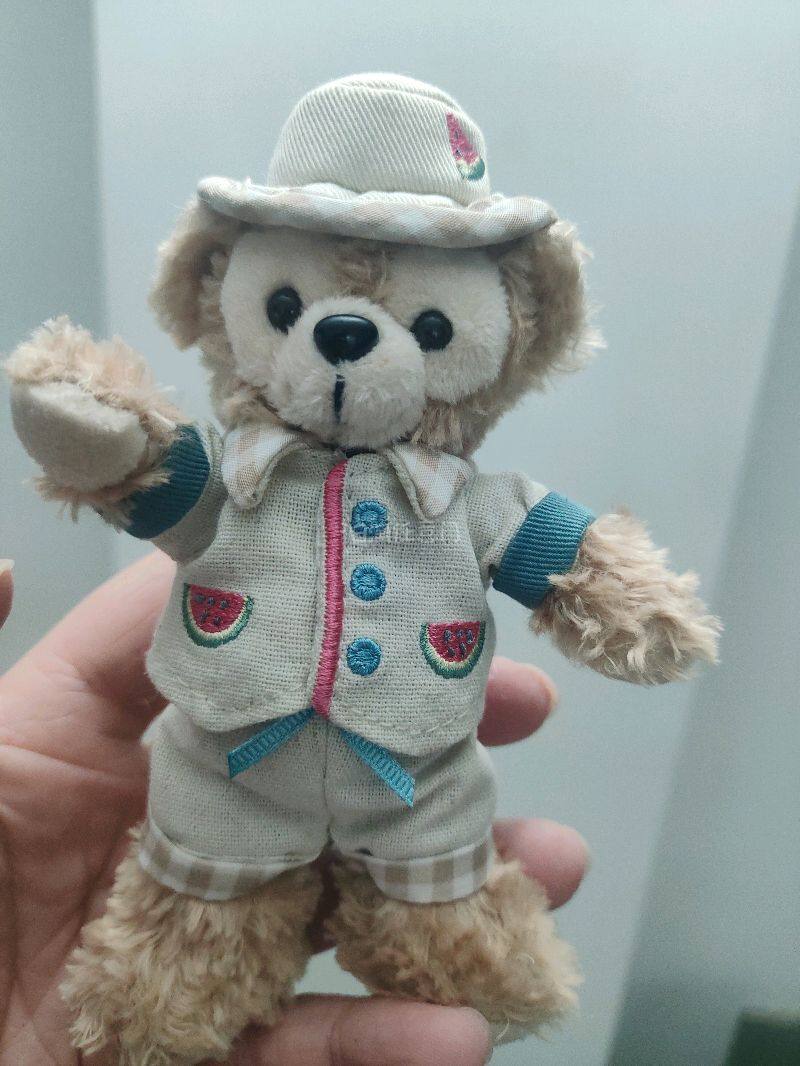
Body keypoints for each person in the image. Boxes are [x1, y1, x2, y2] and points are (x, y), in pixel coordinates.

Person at [0, 551, 588, 1066]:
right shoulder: (233, 498)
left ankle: (454, 940)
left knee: (440, 881)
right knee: (201, 894)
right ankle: (167, 992)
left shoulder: (471, 509)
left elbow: (556, 547)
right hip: (232, 773)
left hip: (414, 766)